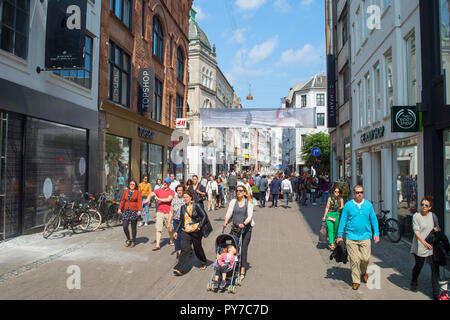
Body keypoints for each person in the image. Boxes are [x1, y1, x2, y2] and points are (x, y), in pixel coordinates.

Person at [336, 185, 380, 290]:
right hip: (351, 237)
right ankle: (356, 281)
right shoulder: (348, 205)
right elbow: (343, 221)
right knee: (354, 260)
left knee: (365, 258)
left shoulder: (368, 205)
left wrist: (376, 233)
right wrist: (339, 235)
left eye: (361, 192)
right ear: (353, 193)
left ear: (363, 193)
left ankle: (364, 271)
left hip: (365, 236)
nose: (359, 194)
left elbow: (373, 219)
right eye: (357, 192)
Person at [410, 196, 441, 299]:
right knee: (419, 266)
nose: (423, 206)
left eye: (426, 205)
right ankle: (414, 281)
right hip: (420, 244)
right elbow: (416, 231)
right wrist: (423, 242)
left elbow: (437, 228)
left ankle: (436, 293)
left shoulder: (433, 216)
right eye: (422, 204)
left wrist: (437, 230)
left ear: (430, 207)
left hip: (431, 245)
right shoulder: (416, 216)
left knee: (434, 269)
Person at [223, 185, 255, 281]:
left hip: (246, 229)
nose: (238, 192)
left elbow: (250, 216)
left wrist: (244, 223)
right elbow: (229, 212)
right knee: (232, 248)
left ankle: (242, 269)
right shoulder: (233, 201)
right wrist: (226, 221)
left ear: (245, 192)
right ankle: (232, 268)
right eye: (237, 190)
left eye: (240, 190)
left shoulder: (249, 202)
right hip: (235, 228)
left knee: (243, 249)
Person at [173, 190, 208, 276]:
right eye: (184, 197)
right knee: (185, 249)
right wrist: (176, 231)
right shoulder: (182, 208)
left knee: (197, 248)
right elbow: (181, 221)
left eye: (186, 197)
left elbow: (204, 216)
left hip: (196, 231)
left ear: (191, 197)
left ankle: (203, 261)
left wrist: (199, 226)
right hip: (185, 231)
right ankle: (179, 268)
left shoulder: (197, 206)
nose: (185, 199)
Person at [147, 177, 175, 251]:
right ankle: (157, 244)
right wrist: (148, 199)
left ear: (169, 183)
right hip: (160, 211)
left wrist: (159, 199)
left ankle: (171, 239)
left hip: (168, 212)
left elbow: (169, 199)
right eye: (164, 182)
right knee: (158, 228)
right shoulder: (158, 190)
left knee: (170, 228)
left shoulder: (171, 191)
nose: (165, 183)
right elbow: (151, 194)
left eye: (167, 182)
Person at [118, 180, 142, 248]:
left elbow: (139, 202)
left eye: (133, 184)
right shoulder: (126, 191)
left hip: (134, 211)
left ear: (135, 185)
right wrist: (120, 208)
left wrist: (139, 210)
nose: (132, 185)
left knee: (133, 227)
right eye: (131, 184)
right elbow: (122, 200)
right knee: (125, 226)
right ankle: (128, 239)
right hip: (126, 211)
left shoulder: (137, 192)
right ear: (129, 185)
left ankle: (133, 240)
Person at [169, 185, 186, 259]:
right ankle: (179, 253)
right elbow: (171, 212)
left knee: (184, 237)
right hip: (176, 221)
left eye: (181, 190)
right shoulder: (174, 200)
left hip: (185, 221)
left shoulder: (186, 198)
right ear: (176, 191)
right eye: (178, 190)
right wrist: (169, 222)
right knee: (176, 237)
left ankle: (186, 250)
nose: (180, 191)